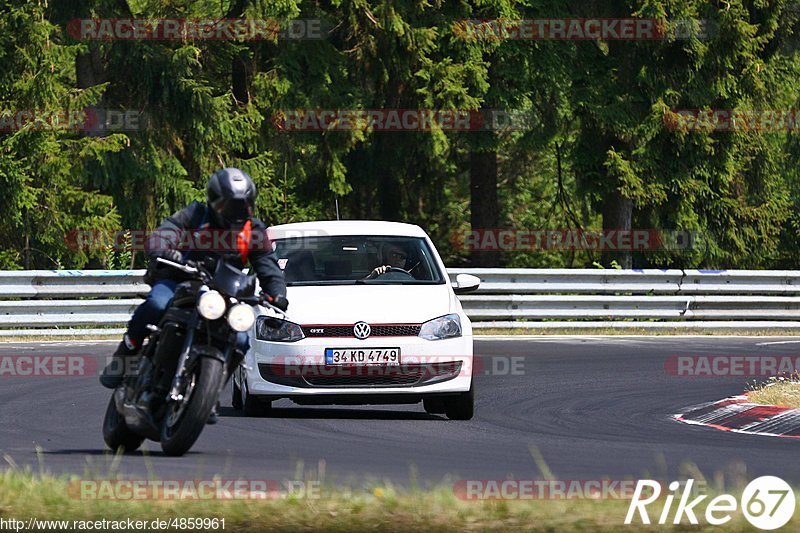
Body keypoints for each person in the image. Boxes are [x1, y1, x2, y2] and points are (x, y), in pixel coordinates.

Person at [99, 168, 289, 403]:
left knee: (240, 340)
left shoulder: (254, 230)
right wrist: (163, 250)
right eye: (232, 205)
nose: (238, 212)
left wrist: (278, 294)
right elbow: (165, 232)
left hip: (223, 294)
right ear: (216, 201)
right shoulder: (196, 215)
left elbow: (268, 265)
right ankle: (124, 354)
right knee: (157, 305)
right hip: (180, 278)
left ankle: (210, 394)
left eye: (244, 205)